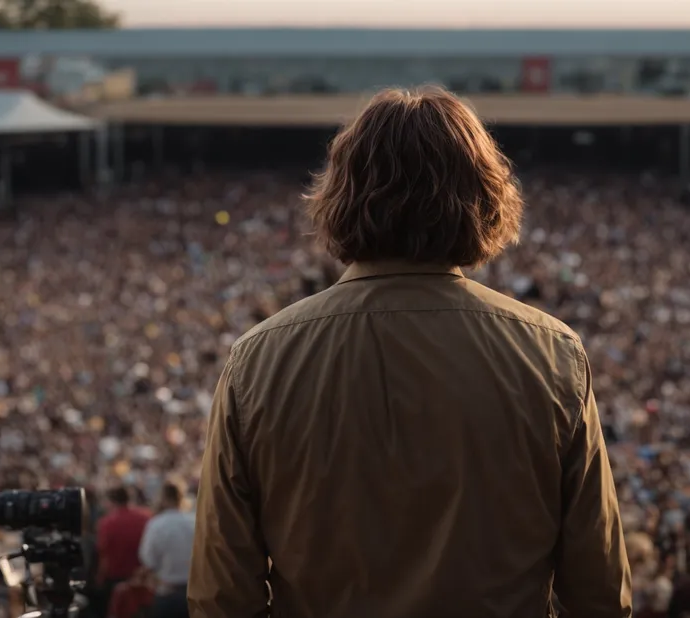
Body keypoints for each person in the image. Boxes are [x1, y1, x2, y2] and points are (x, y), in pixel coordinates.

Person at [189, 86, 632, 618]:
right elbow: (599, 590)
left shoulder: (257, 361)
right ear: (485, 198)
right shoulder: (552, 355)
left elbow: (222, 596)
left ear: (340, 197)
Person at [138, 481, 196, 618]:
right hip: (194, 593)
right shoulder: (194, 521)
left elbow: (148, 560)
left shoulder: (157, 524)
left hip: (167, 593)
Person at [96, 486, 152, 618]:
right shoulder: (145, 518)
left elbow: (104, 554)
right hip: (141, 580)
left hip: (115, 579)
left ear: (111, 501)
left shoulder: (107, 523)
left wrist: (99, 578)